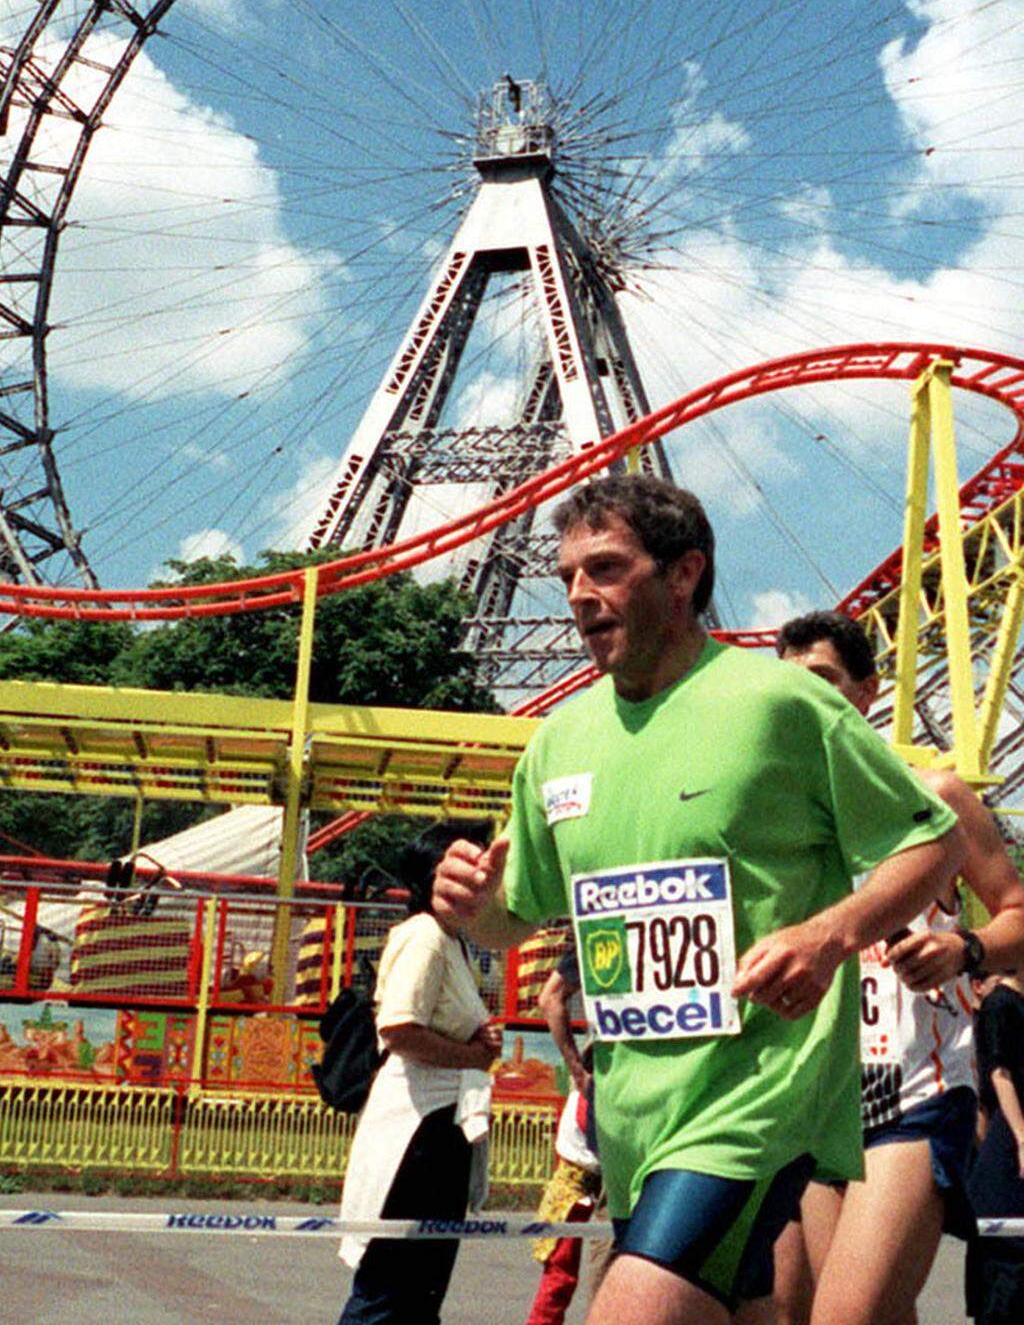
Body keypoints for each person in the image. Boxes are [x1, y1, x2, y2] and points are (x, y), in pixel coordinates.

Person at [433, 473, 964, 1325]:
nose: (578, 594)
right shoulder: (559, 742)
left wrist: (831, 935)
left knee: (633, 1311)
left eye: (604, 568)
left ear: (683, 575)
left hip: (756, 1096)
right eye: (568, 573)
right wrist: (472, 908)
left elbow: (930, 842)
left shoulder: (781, 703)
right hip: (632, 1113)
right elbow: (512, 917)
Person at [769, 609, 1024, 1325]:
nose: (804, 699)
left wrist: (963, 950)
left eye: (822, 680)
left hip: (914, 1092)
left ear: (866, 692)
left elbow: (1016, 913)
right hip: (819, 1096)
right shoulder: (784, 818)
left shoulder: (934, 797)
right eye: (788, 687)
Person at [337, 827, 502, 1324]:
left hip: (441, 1130)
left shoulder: (454, 942)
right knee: (389, 1289)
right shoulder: (425, 936)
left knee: (421, 1292)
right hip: (417, 1133)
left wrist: (477, 1047)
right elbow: (399, 1029)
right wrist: (470, 1055)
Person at [525, 944, 607, 1324]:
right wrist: (578, 1072)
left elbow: (551, 998)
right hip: (587, 1159)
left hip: (596, 1151)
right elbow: (550, 998)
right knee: (561, 1274)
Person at [966, 967, 1024, 1322]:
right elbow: (998, 1074)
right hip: (1009, 1151)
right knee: (1006, 1270)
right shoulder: (1002, 1004)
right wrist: (1021, 1136)